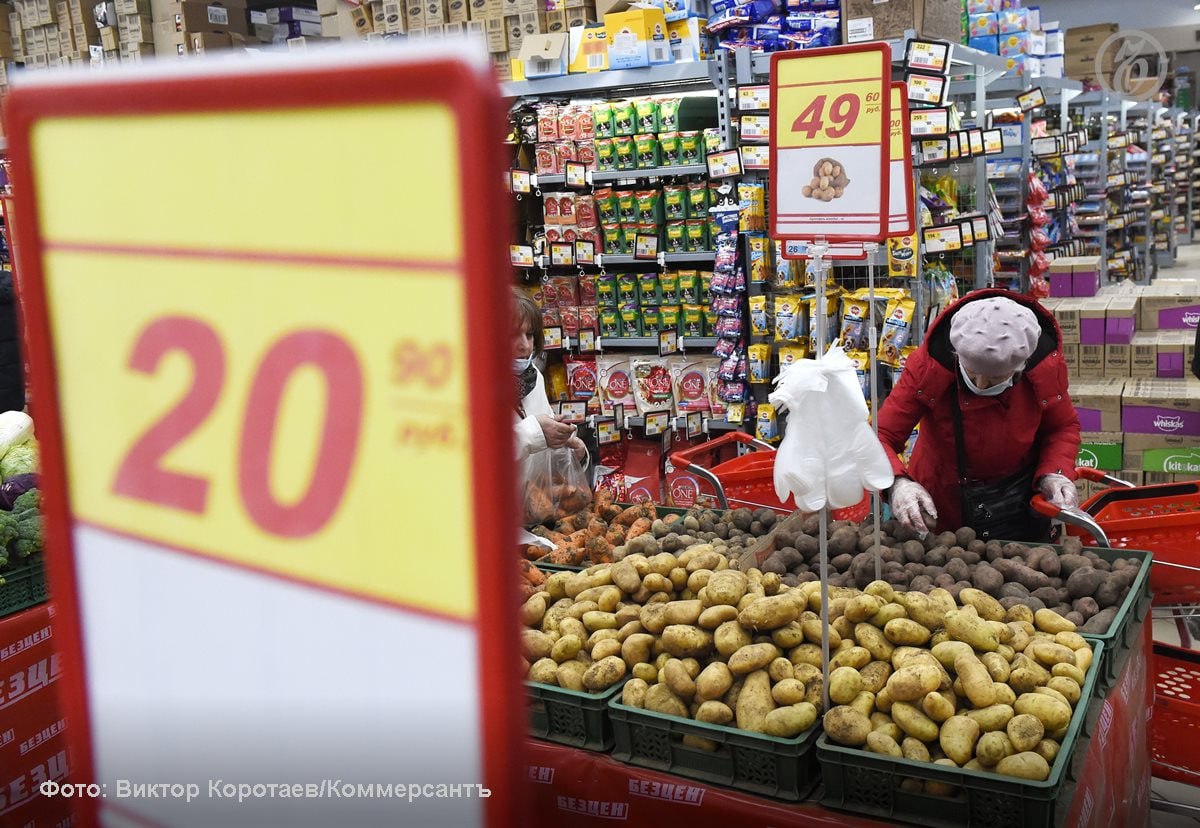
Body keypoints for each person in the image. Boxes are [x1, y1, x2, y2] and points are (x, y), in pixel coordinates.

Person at [876, 290, 1081, 542]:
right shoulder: (928, 368)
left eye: (995, 378)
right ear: (956, 354)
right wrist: (897, 483)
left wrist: (1055, 472)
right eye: (972, 373)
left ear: (1021, 365)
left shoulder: (1043, 371)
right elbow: (882, 435)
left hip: (1015, 504)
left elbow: (1062, 428)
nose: (982, 385)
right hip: (940, 505)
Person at [512, 287, 587, 464]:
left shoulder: (532, 377)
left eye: (529, 335)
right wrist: (536, 433)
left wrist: (568, 452)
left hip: (535, 491)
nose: (525, 345)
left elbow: (540, 455)